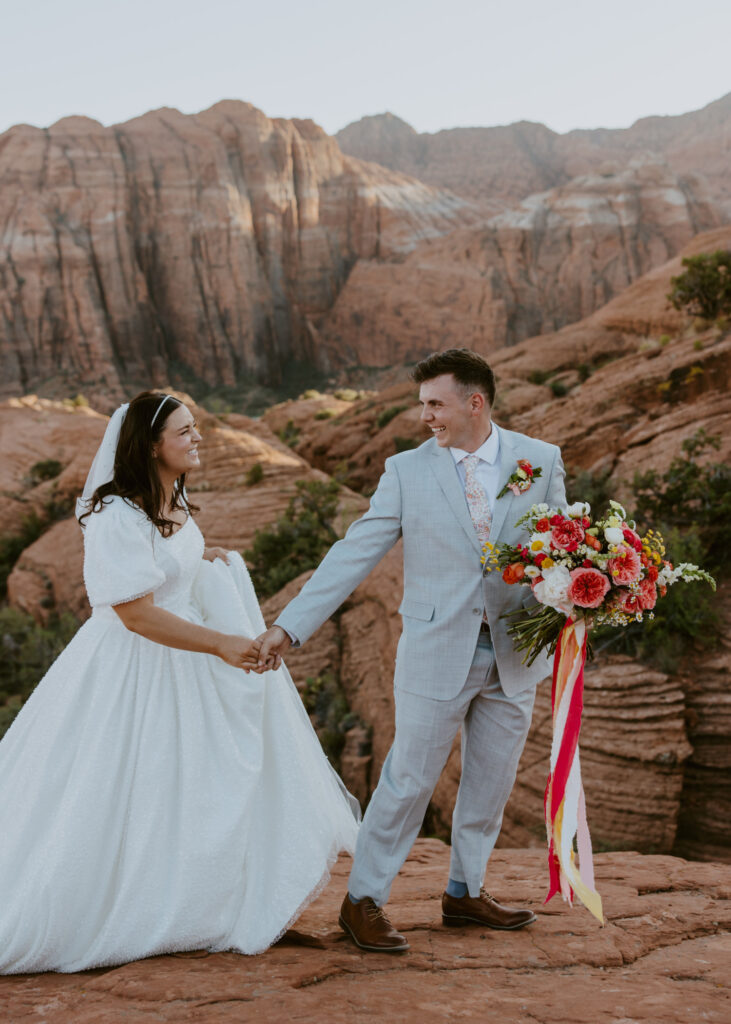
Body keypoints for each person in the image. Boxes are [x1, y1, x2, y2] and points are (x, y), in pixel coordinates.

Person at [0, 391, 358, 975]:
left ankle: (195, 901)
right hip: (134, 669)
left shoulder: (172, 497)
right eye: (185, 432)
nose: (198, 439)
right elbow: (134, 613)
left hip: (179, 661)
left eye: (195, 429)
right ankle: (127, 906)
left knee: (191, 786)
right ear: (150, 445)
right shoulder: (116, 514)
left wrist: (204, 559)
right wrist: (220, 643)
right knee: (122, 789)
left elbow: (169, 562)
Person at [257, 349, 568, 953]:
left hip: (517, 651)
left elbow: (563, 544)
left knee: (491, 779)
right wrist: (289, 628)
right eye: (423, 404)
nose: (424, 415)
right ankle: (363, 901)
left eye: (435, 404)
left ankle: (465, 892)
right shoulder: (406, 471)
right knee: (408, 781)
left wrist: (591, 591)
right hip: (436, 649)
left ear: (474, 403)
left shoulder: (539, 460)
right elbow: (354, 552)